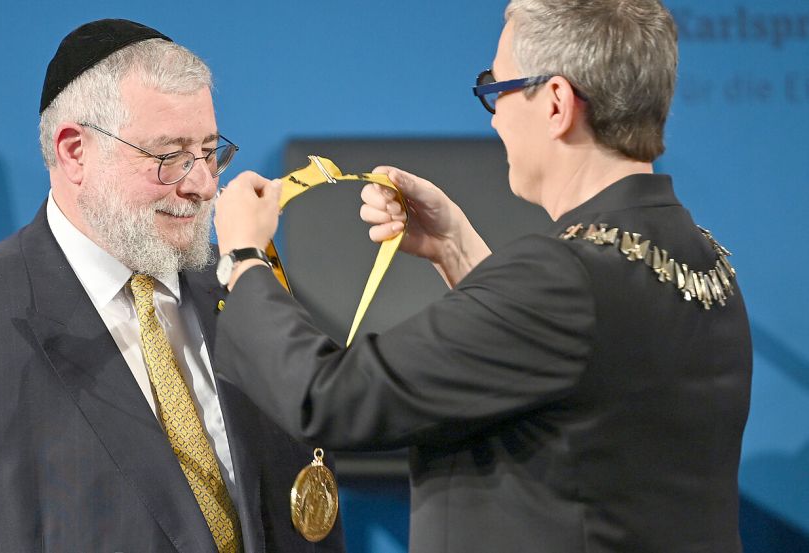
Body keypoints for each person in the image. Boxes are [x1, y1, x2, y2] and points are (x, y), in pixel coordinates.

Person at [211, 1, 752, 551]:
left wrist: (244, 258)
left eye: (499, 87)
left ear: (557, 104)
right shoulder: (702, 260)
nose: (494, 116)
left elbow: (327, 399)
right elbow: (570, 385)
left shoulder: (560, 278)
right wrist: (455, 250)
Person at [0, 19, 344, 553]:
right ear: (73, 152)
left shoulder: (245, 288)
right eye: (170, 157)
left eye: (208, 151)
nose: (202, 184)